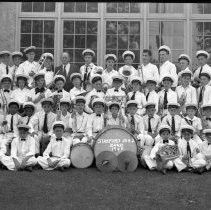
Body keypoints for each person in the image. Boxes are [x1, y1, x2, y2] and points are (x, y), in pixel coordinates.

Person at [140, 103, 161, 168]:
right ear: (146, 111)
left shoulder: (158, 118)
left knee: (158, 138)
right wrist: (148, 133)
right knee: (148, 138)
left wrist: (156, 133)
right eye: (148, 111)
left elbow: (159, 128)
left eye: (152, 110)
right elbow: (142, 129)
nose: (150, 112)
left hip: (155, 133)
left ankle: (157, 154)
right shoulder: (143, 118)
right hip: (147, 133)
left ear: (155, 110)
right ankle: (147, 152)